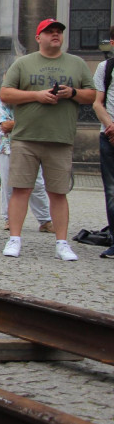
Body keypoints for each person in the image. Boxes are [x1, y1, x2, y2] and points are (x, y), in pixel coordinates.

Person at [0, 18, 95, 261]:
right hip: (26, 137)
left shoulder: (77, 63)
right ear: (38, 37)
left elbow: (91, 94)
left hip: (60, 138)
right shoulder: (23, 63)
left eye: (58, 32)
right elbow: (5, 93)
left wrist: (72, 93)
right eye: (50, 32)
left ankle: (62, 243)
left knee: (58, 192)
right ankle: (15, 239)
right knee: (20, 190)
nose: (55, 35)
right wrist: (37, 95)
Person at [0, 98, 53, 232]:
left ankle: (45, 220)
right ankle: (9, 219)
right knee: (8, 185)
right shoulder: (2, 102)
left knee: (37, 183)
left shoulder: (32, 100)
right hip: (7, 147)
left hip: (30, 145)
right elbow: (5, 126)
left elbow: (40, 121)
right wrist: (28, 121)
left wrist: (19, 123)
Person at [93, 27, 114, 259]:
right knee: (111, 190)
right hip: (109, 135)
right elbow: (98, 103)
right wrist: (110, 126)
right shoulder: (105, 67)